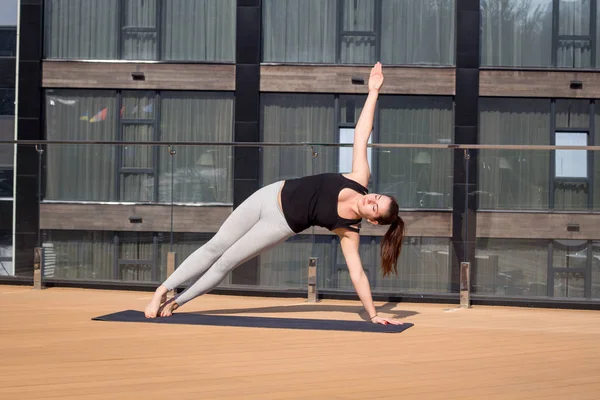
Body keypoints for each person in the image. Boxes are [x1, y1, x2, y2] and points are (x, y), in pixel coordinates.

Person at [145, 62, 405, 325]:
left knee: (226, 263)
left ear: (372, 220)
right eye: (377, 197)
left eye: (375, 207)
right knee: (216, 246)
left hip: (279, 225)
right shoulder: (360, 178)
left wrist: (373, 315)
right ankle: (162, 290)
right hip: (270, 195)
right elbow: (361, 134)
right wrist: (373, 91)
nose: (371, 200)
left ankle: (178, 301)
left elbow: (357, 274)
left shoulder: (349, 231)